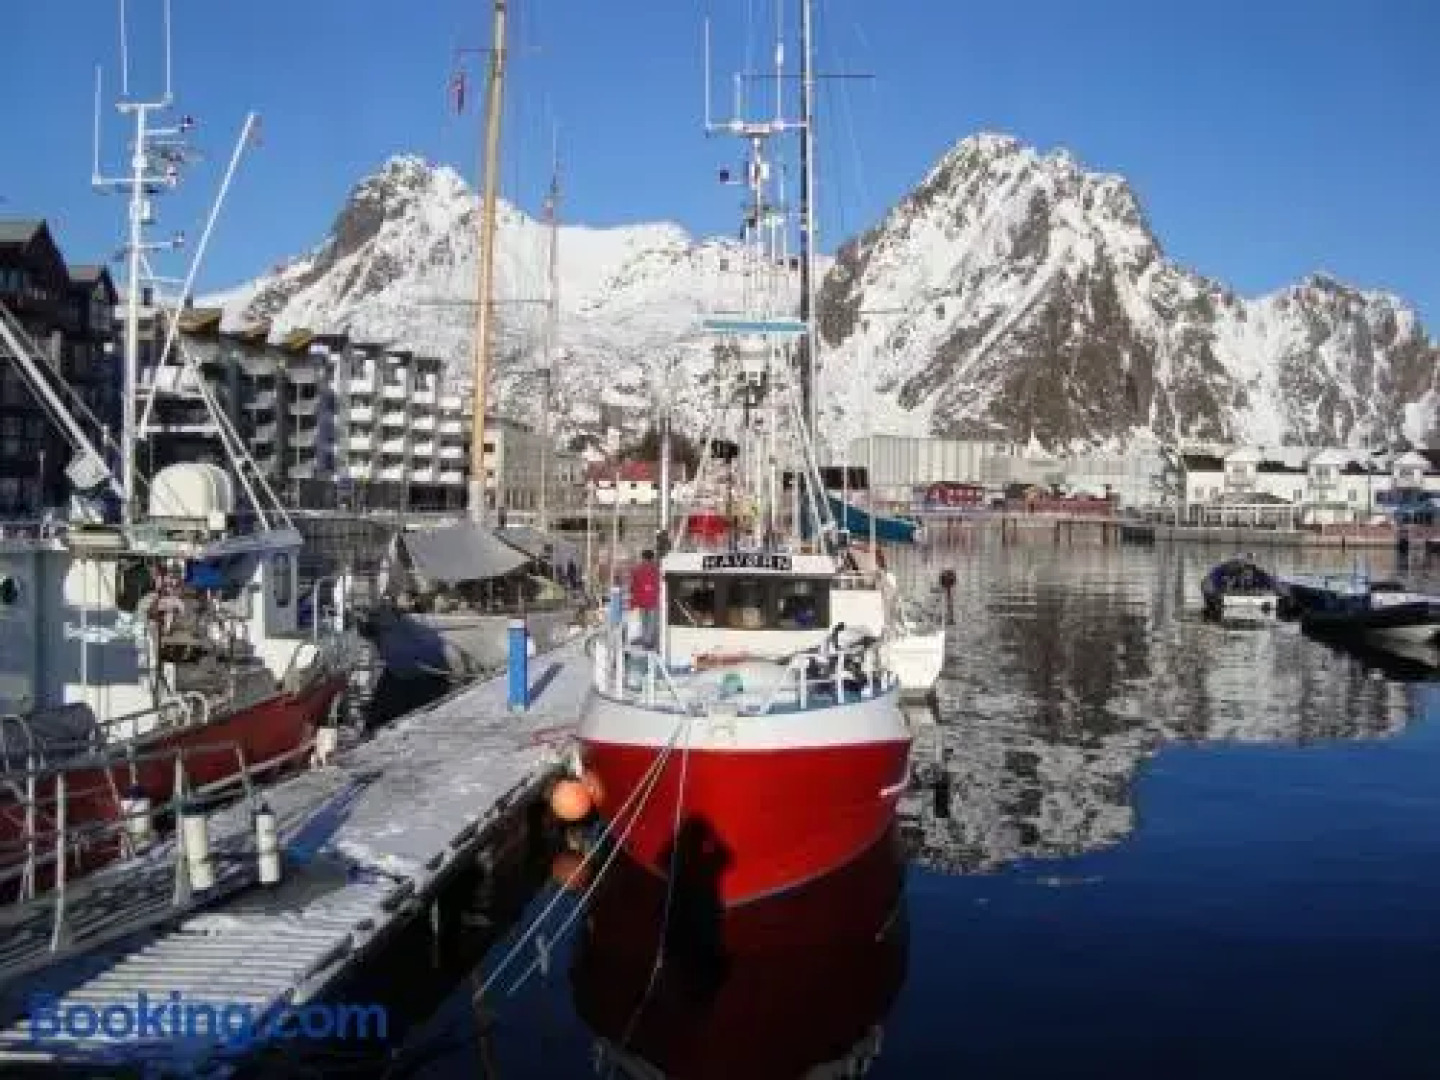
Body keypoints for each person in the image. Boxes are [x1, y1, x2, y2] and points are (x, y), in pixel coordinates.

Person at [630, 549, 660, 648]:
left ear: (643, 558)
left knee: (644, 621)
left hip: (642, 600)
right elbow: (659, 585)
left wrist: (633, 602)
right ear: (652, 558)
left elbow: (633, 587)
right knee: (651, 622)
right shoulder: (656, 570)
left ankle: (645, 639)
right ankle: (648, 641)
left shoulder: (637, 570)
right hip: (653, 600)